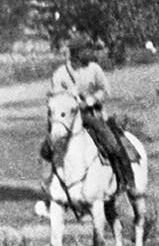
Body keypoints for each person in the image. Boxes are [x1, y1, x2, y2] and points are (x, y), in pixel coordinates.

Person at [50, 36, 134, 192]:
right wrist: (68, 96)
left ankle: (125, 179)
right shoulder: (61, 73)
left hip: (93, 115)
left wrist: (91, 99)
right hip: (69, 117)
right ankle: (53, 183)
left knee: (113, 144)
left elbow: (105, 90)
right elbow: (55, 93)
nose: (90, 53)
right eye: (86, 50)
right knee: (50, 146)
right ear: (76, 52)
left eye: (89, 49)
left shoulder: (94, 69)